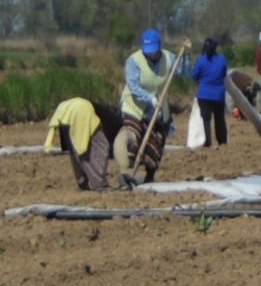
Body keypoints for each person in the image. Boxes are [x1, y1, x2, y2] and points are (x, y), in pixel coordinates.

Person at [113, 28, 192, 188]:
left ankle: (149, 176)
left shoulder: (169, 58)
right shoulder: (133, 61)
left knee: (157, 140)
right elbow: (133, 86)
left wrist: (185, 56)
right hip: (134, 106)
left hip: (158, 109)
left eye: (153, 52)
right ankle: (125, 173)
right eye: (147, 52)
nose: (151, 55)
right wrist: (149, 98)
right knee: (129, 137)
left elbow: (183, 72)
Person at [44, 98, 123, 191]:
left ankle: (82, 179)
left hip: (63, 110)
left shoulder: (104, 112)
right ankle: (100, 184)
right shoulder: (116, 124)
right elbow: (109, 141)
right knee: (100, 147)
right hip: (81, 110)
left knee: (75, 147)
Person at [191, 36, 228, 147]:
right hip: (218, 95)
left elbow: (194, 75)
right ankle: (222, 142)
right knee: (220, 119)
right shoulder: (221, 59)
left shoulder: (201, 60)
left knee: (205, 120)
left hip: (204, 94)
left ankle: (207, 143)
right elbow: (224, 74)